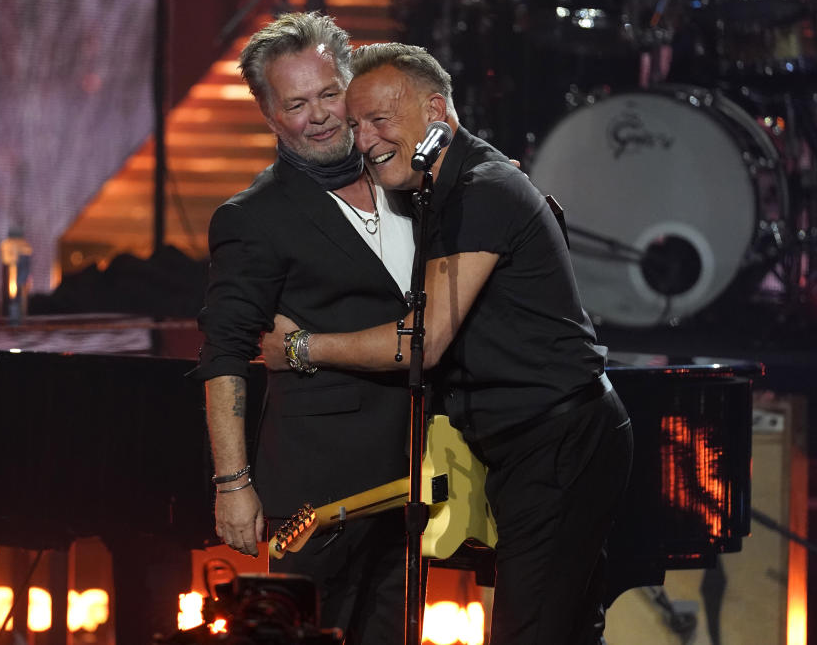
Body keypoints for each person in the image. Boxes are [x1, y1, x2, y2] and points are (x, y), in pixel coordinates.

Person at [263, 43, 634, 645]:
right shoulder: (437, 187)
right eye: (356, 125)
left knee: (529, 631)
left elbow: (423, 343)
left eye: (380, 120)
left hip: (559, 442)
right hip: (527, 444)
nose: (364, 140)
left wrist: (302, 347)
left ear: (436, 110)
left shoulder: (483, 189)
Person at [191, 14, 414, 644]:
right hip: (320, 489)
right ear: (269, 114)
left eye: (328, 93)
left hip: (420, 474)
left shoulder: (406, 179)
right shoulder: (252, 218)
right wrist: (233, 484)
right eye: (296, 103)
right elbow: (226, 353)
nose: (317, 115)